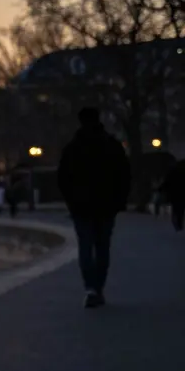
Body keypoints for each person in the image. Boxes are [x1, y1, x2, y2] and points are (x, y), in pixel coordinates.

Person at [56, 108, 132, 308]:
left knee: (85, 247)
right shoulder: (112, 145)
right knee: (102, 247)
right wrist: (119, 201)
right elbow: (124, 175)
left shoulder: (72, 148)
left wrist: (71, 201)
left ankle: (90, 287)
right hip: (106, 205)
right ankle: (98, 287)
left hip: (81, 206)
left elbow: (63, 179)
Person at [163, 159, 185, 232]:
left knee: (176, 209)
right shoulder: (180, 172)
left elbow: (167, 182)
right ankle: (179, 223)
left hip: (175, 194)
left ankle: (177, 222)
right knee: (180, 209)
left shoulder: (172, 172)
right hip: (180, 193)